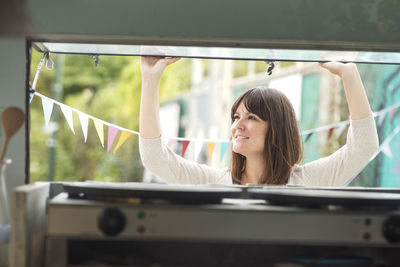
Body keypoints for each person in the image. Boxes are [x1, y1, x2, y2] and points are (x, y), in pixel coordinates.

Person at [139, 56, 379, 186]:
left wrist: (349, 74)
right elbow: (154, 157)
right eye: (236, 117)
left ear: (277, 129)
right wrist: (150, 79)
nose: (237, 126)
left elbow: (363, 147)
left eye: (251, 117)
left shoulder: (309, 180)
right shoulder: (213, 182)